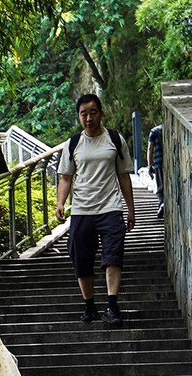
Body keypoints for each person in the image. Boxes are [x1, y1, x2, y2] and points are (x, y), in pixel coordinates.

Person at [55, 93, 136, 326]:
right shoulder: (73, 144)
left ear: (100, 113)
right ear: (79, 116)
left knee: (113, 257)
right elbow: (66, 177)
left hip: (110, 208)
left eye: (93, 112)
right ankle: (89, 306)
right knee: (81, 259)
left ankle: (112, 306)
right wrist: (60, 203)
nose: (88, 118)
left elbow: (124, 176)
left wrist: (130, 210)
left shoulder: (114, 139)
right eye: (83, 113)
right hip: (81, 210)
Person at [148, 121, 165, 218]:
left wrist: (150, 165)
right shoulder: (167, 129)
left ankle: (162, 203)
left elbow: (150, 148)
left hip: (159, 162)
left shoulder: (154, 131)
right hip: (170, 162)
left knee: (160, 186)